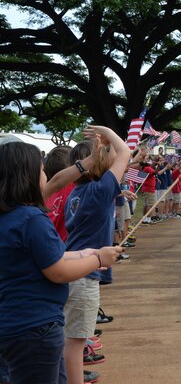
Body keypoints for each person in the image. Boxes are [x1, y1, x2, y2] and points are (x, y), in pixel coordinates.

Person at [0, 141, 120, 384]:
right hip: (35, 327)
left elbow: (49, 257)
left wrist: (84, 253)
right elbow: (58, 271)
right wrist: (98, 259)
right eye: (41, 170)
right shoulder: (32, 219)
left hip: (16, 323)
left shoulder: (9, 216)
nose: (46, 175)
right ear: (28, 177)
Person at [63, 125, 131, 384]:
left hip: (73, 269)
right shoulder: (99, 191)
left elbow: (120, 154)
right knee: (76, 342)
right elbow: (125, 151)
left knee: (70, 338)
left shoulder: (78, 192)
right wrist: (107, 131)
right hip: (83, 276)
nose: (116, 161)